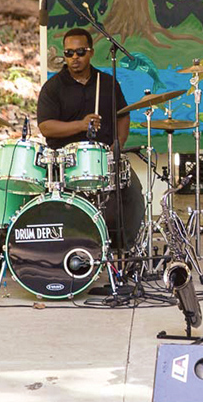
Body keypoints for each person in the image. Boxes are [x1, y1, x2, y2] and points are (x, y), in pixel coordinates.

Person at [37, 28, 145, 250]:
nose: (74, 58)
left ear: (91, 52)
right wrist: (80, 124)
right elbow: (46, 127)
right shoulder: (53, 87)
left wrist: (119, 144)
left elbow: (123, 115)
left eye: (80, 52)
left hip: (104, 156)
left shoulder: (107, 83)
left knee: (132, 192)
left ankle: (124, 248)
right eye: (69, 53)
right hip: (65, 161)